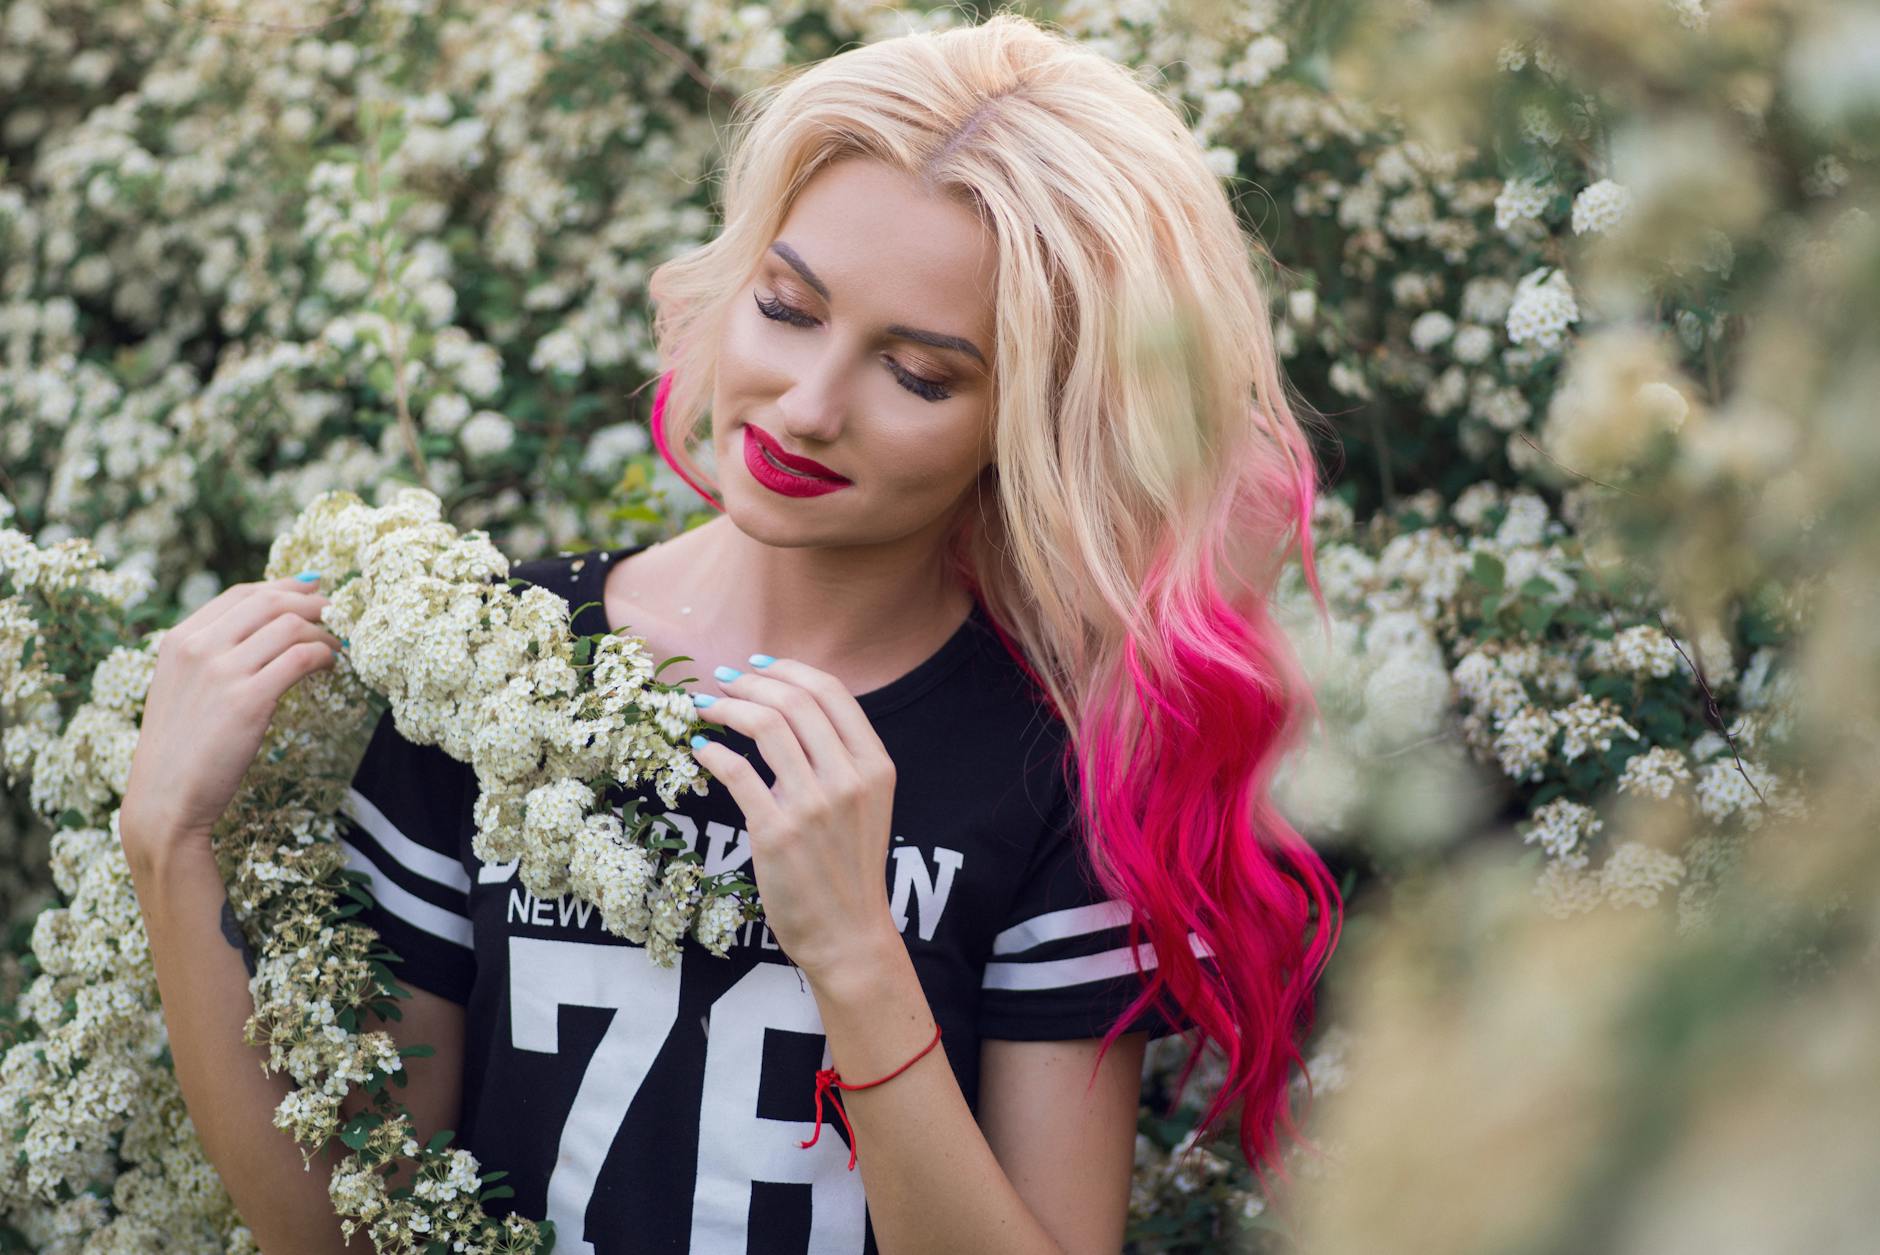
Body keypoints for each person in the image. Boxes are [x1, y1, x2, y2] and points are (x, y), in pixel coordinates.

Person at [120, 11, 1343, 1254]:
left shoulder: (1046, 764)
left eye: (918, 376)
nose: (806, 406)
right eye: (787, 306)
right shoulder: (490, 662)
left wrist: (856, 959)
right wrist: (170, 845)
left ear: (1033, 422)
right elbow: (341, 1230)